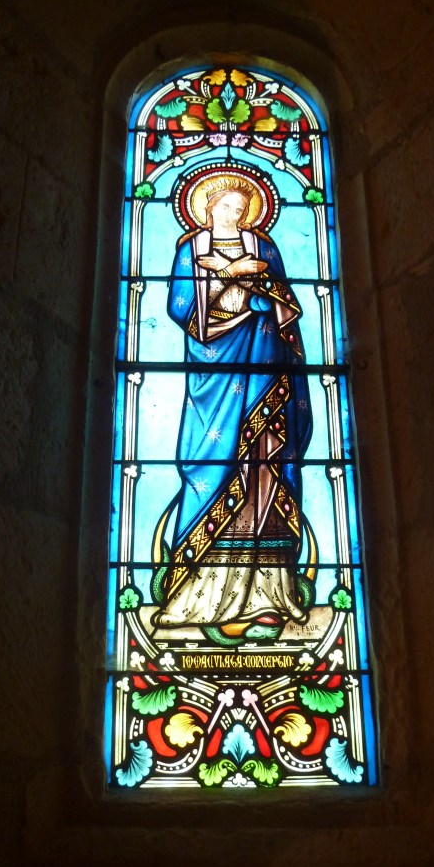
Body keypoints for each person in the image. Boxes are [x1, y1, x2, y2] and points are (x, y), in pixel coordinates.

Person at [152, 176, 313, 643]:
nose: (234, 215)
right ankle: (201, 596)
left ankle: (268, 596)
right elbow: (182, 308)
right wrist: (230, 281)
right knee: (214, 465)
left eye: (242, 209)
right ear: (208, 208)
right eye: (226, 207)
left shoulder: (264, 248)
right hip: (216, 371)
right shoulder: (191, 249)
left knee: (265, 465)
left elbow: (285, 305)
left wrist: (252, 286)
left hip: (264, 367)